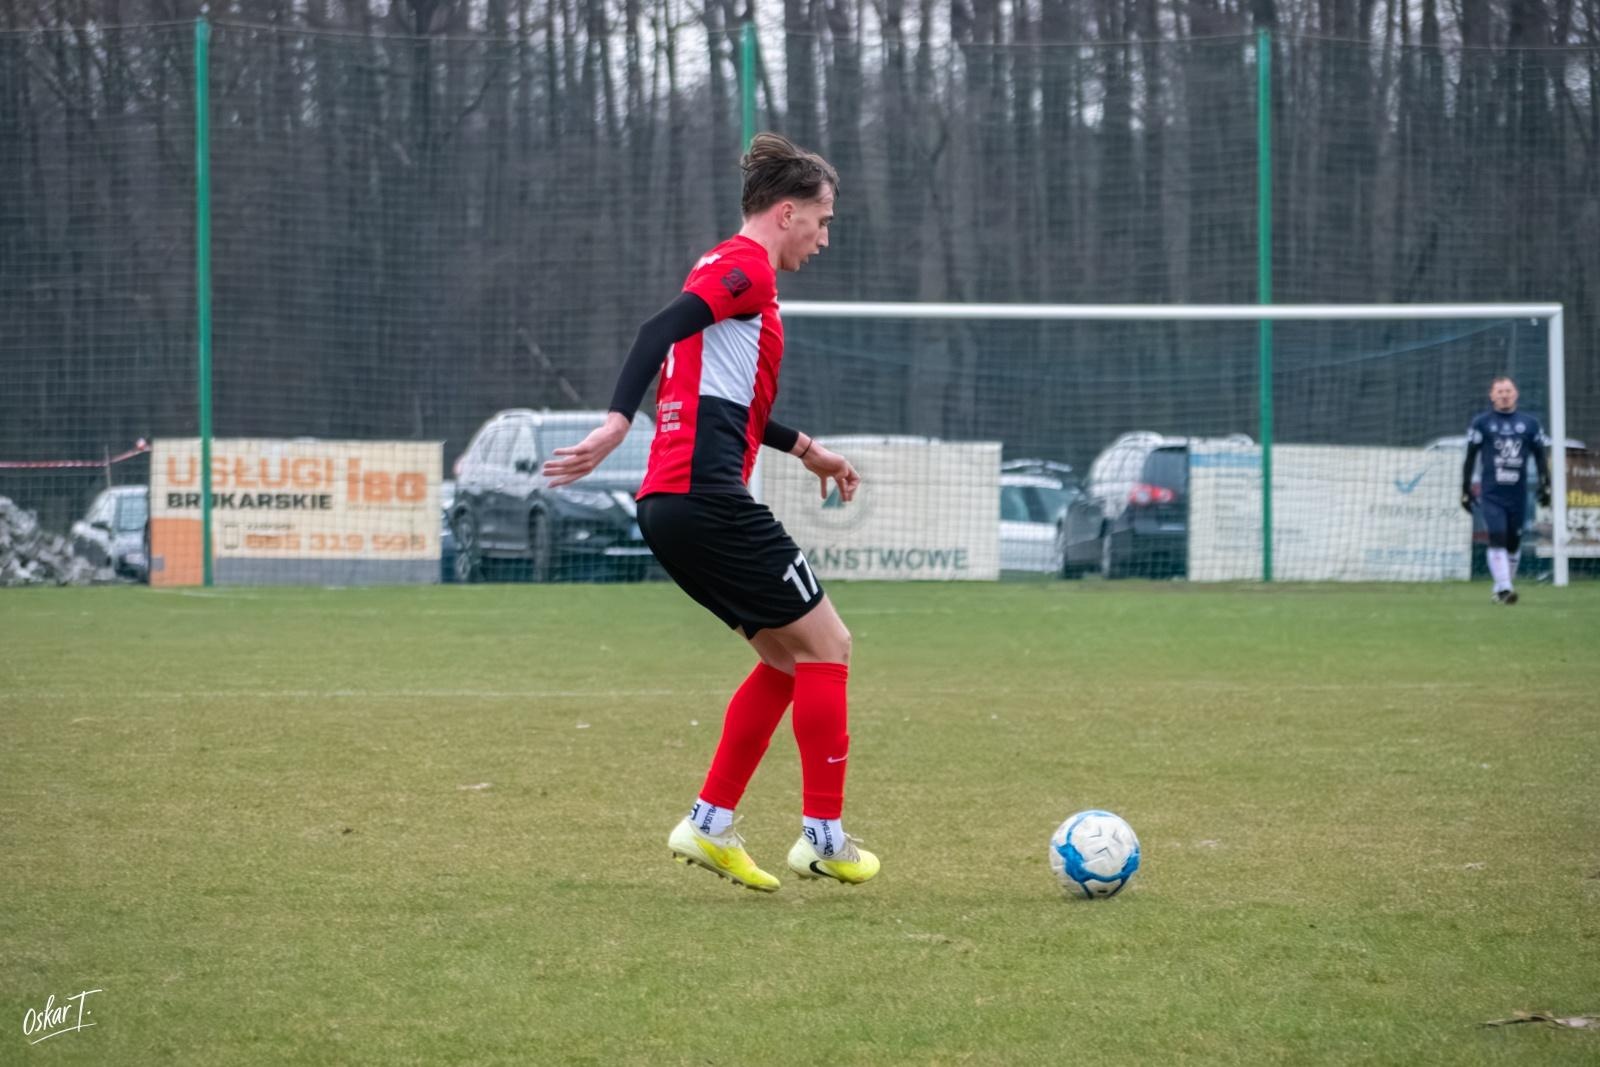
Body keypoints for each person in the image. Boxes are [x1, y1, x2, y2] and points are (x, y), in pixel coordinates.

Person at [541, 132, 879, 892]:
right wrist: (616, 421)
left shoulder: (722, 270)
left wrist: (809, 450)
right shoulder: (745, 267)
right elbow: (653, 330)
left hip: (670, 506)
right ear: (787, 212)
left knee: (786, 661)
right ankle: (824, 838)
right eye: (822, 221)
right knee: (829, 646)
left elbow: (726, 404)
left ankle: (710, 823)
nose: (824, 239)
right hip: (706, 498)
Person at [1462, 375, 1552, 604]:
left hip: (1517, 494)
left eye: (1508, 391)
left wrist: (1546, 485)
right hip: (1492, 493)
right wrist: (1465, 488)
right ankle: (1504, 588)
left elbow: (1540, 457)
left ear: (1516, 394)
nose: (1504, 395)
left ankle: (1501, 589)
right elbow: (1470, 457)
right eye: (1500, 391)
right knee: (1497, 536)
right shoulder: (1482, 423)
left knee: (1513, 544)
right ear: (1491, 396)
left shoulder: (1530, 424)